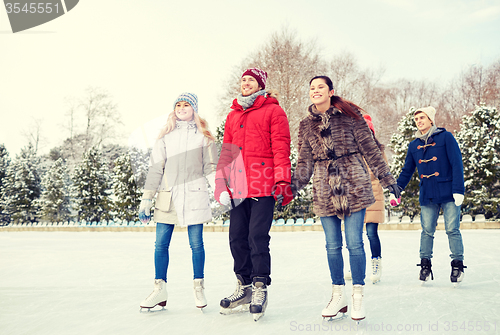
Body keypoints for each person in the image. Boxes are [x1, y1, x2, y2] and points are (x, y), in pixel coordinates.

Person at [287, 76, 400, 322]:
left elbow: (371, 150)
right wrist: (292, 188)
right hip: (324, 188)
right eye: (312, 88)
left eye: (320, 87)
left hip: (354, 185)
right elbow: (304, 162)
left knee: (355, 243)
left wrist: (387, 179)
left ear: (331, 92)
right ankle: (338, 295)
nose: (315, 91)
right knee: (332, 245)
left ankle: (357, 295)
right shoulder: (306, 125)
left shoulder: (351, 117)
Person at [214, 68, 292, 321]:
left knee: (257, 237)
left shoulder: (273, 111)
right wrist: (220, 184)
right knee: (237, 238)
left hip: (263, 183)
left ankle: (260, 287)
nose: (245, 83)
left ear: (260, 85)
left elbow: (281, 147)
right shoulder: (232, 115)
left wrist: (282, 180)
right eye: (243, 80)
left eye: (251, 80)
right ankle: (243, 287)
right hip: (237, 185)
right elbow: (226, 153)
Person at [138, 93, 218, 311]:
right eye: (178, 105)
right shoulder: (165, 137)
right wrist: (147, 198)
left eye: (186, 105)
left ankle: (198, 287)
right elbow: (156, 169)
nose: (182, 108)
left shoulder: (204, 137)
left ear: (195, 109)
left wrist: (220, 190)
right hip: (168, 197)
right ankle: (159, 289)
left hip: (194, 195)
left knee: (196, 244)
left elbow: (210, 167)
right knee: (161, 245)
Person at [394, 106, 466, 287]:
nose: (419, 121)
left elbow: (457, 163)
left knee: (452, 229)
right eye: (416, 119)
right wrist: (396, 190)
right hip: (428, 193)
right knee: (427, 231)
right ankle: (425, 266)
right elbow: (407, 171)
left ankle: (457, 266)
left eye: (422, 117)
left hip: (449, 191)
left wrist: (459, 190)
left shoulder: (445, 137)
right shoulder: (414, 145)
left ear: (431, 119)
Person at [363, 114, 387, 284]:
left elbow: (384, 173)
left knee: (371, 233)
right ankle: (355, 265)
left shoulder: (378, 151)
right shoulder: (351, 150)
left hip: (373, 196)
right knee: (354, 235)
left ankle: (376, 262)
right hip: (355, 196)